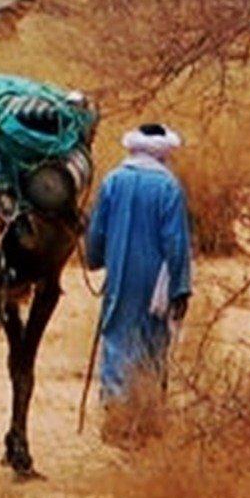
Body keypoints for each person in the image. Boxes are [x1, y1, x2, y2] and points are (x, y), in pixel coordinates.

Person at [81, 122, 194, 399]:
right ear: (163, 152)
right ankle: (147, 409)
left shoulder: (113, 181)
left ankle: (115, 410)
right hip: (156, 281)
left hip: (119, 275)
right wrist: (180, 288)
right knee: (153, 341)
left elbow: (96, 233)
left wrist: (95, 259)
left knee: (117, 336)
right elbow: (176, 244)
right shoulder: (168, 187)